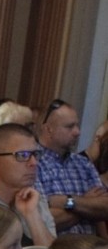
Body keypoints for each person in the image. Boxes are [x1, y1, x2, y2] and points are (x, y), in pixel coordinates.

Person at [35, 98, 108, 237]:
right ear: (49, 129)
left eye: (77, 125)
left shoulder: (83, 164)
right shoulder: (33, 164)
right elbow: (42, 221)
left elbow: (105, 208)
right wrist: (87, 205)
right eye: (69, 127)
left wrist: (68, 201)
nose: (77, 132)